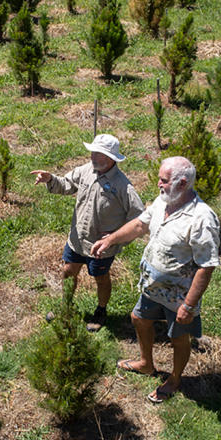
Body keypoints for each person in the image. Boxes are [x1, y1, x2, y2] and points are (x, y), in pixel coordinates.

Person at [90, 156, 220, 403]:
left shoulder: (202, 218)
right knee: (138, 318)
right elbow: (140, 226)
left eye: (163, 180)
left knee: (178, 337)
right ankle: (146, 363)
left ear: (182, 183)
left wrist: (189, 305)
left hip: (180, 294)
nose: (158, 184)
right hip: (153, 286)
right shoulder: (163, 202)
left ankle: (174, 379)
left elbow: (206, 266)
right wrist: (110, 240)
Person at [32, 134, 145, 332]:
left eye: (97, 153)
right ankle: (65, 305)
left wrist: (116, 238)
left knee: (100, 278)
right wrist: (50, 179)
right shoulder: (85, 170)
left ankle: (101, 310)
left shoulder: (122, 186)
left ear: (110, 158)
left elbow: (139, 219)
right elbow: (66, 184)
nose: (92, 156)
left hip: (101, 247)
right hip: (77, 239)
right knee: (68, 271)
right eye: (92, 151)